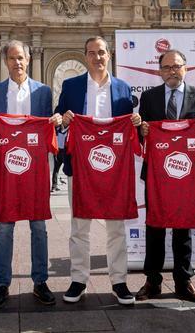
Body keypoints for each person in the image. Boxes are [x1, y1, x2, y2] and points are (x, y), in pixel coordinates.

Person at [56, 36, 142, 305]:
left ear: (110, 55)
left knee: (116, 228)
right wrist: (63, 120)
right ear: (85, 56)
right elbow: (59, 121)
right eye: (92, 53)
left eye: (102, 52)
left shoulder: (123, 89)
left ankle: (119, 281)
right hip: (80, 169)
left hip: (114, 171)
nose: (97, 58)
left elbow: (130, 130)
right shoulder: (70, 87)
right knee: (79, 228)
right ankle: (78, 279)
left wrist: (137, 123)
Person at [0, 40, 62, 308]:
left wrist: (56, 121)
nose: (17, 62)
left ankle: (40, 281)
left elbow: (48, 128)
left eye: (21, 58)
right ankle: (2, 284)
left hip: (35, 171)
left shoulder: (43, 92)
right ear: (6, 61)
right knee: (5, 228)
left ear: (28, 59)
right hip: (4, 171)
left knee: (39, 227)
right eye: (12, 58)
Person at [135, 49, 195, 303]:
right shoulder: (148, 98)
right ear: (159, 71)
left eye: (176, 66)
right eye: (167, 67)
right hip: (157, 175)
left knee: (183, 227)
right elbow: (140, 137)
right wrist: (142, 131)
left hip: (186, 176)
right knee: (155, 227)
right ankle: (153, 281)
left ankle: (183, 281)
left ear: (186, 68)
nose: (171, 71)